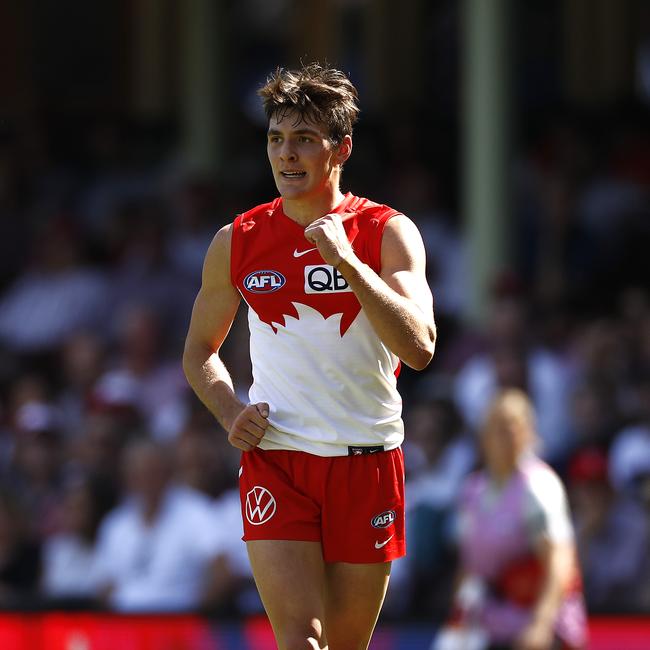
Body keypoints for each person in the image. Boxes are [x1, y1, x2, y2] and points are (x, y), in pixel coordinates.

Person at [183, 62, 436, 650]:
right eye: (276, 139)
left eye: (303, 139)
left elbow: (419, 348)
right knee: (300, 643)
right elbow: (199, 351)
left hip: (367, 461)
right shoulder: (237, 240)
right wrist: (228, 411)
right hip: (278, 459)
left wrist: (348, 263)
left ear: (341, 149)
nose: (286, 155)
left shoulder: (387, 232)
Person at [439, 389, 587, 650]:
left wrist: (540, 625)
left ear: (529, 432)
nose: (508, 436)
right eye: (499, 428)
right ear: (484, 437)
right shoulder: (473, 490)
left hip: (536, 628)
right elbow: (468, 566)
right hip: (488, 626)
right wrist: (457, 621)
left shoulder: (539, 485)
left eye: (516, 427)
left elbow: (560, 562)